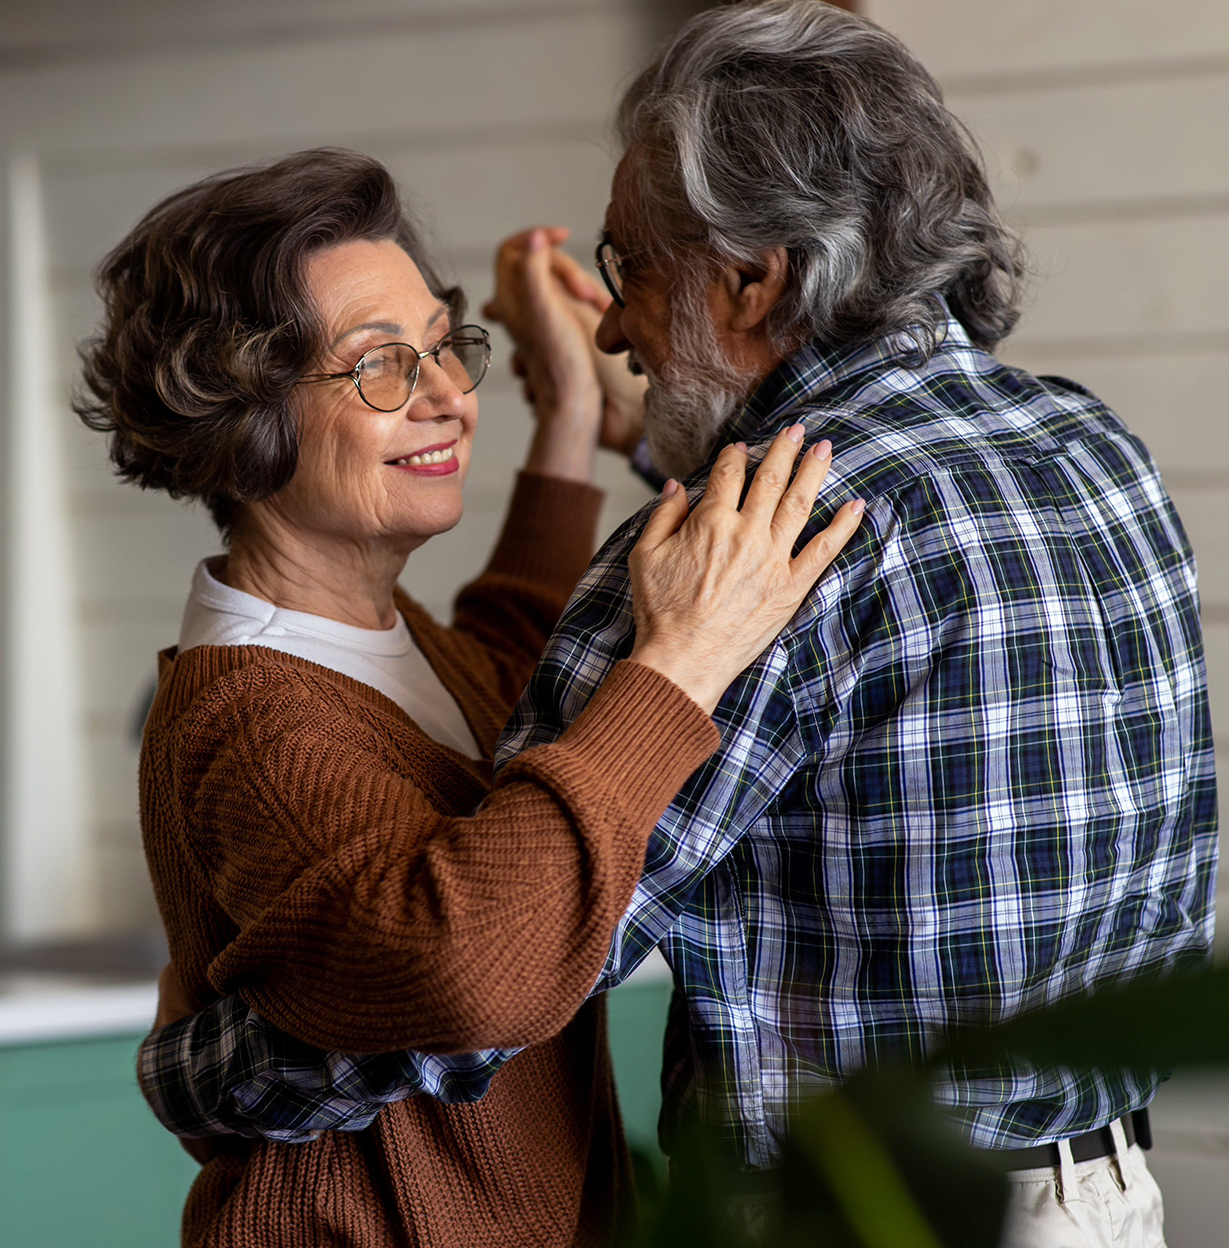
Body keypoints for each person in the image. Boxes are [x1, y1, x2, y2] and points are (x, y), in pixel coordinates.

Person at [137, 5, 1216, 1246]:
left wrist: (196, 1069)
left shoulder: (745, 562)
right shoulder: (1086, 448)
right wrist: (600, 447)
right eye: (388, 363)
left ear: (755, 280)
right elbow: (520, 734)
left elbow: (489, 979)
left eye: (632, 263)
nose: (608, 322)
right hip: (1104, 1197)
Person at [76, 145, 860, 1247]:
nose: (446, 396)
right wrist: (678, 664)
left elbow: (511, 651)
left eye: (446, 348)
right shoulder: (247, 722)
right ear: (239, 412)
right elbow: (469, 963)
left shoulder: (387, 644)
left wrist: (568, 416)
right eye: (382, 367)